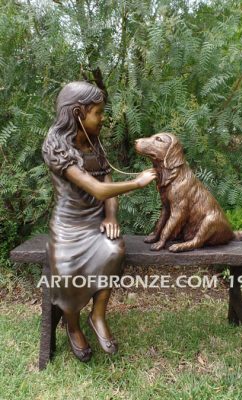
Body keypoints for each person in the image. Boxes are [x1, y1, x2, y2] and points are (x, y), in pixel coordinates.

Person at [42, 81, 156, 362]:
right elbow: (97, 189)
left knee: (114, 249)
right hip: (68, 225)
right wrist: (138, 183)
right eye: (99, 113)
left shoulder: (94, 142)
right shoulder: (55, 145)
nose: (103, 119)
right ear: (79, 113)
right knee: (67, 271)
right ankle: (72, 325)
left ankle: (98, 315)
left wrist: (111, 216)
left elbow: (107, 183)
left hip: (96, 222)